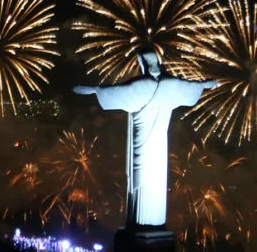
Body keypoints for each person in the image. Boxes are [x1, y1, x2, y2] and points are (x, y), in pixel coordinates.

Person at [74, 50, 218, 229]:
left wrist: (95, 90)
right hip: (159, 146)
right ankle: (154, 221)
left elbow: (116, 92)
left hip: (142, 143)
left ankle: (142, 222)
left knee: (141, 180)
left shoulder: (142, 86)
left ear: (142, 65)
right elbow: (191, 86)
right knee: (155, 180)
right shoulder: (171, 85)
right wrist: (205, 85)